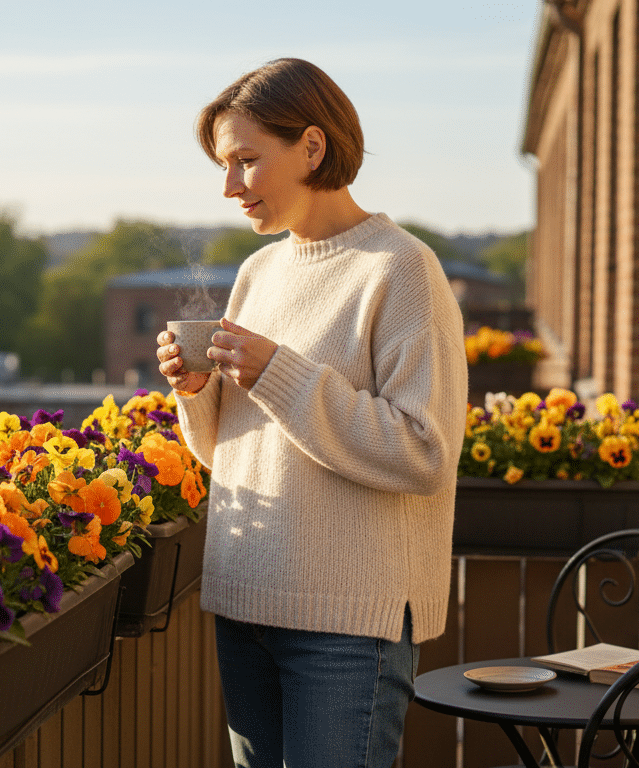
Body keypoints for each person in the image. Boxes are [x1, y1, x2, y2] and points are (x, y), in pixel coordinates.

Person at [155, 58, 468, 768]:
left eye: (244, 161)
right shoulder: (257, 274)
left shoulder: (400, 269)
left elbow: (424, 452)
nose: (229, 187)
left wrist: (278, 372)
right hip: (244, 605)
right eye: (223, 167)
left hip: (347, 628)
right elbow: (230, 452)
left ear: (313, 147)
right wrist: (196, 392)